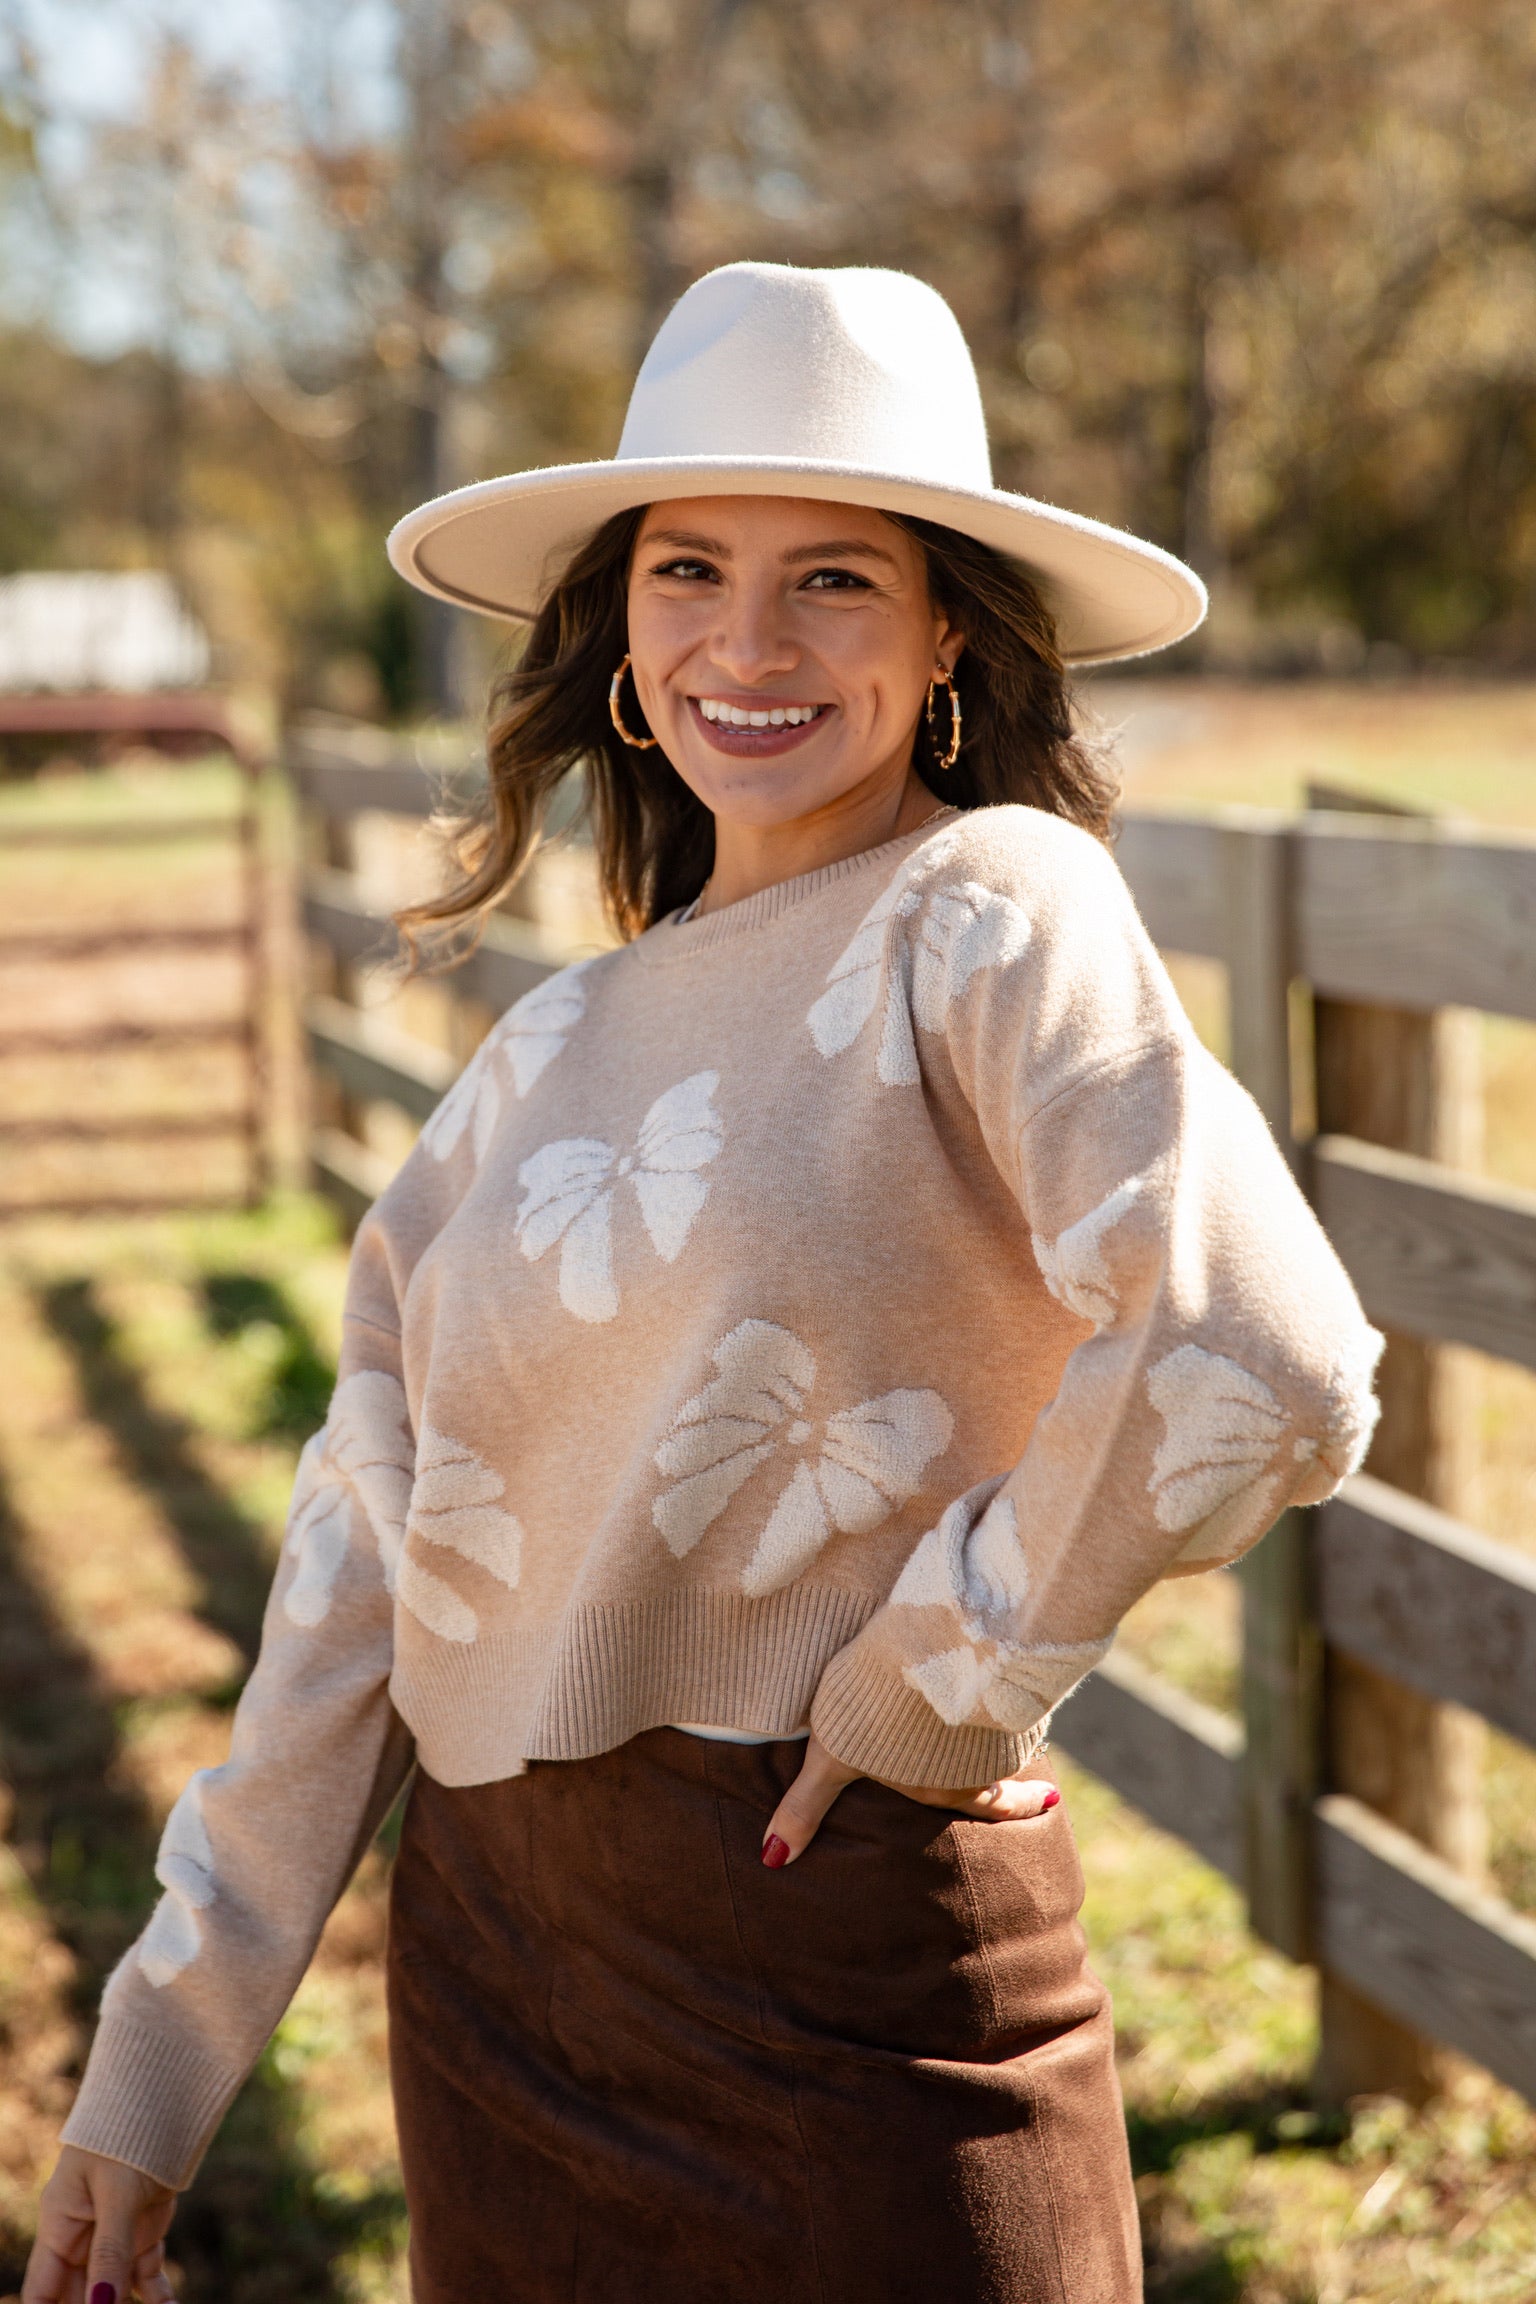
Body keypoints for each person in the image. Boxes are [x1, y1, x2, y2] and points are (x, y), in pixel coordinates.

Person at [24, 261, 1380, 2304]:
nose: (747, 641)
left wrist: (947, 1675)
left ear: (945, 635)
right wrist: (155, 2062)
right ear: (622, 630)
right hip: (495, 1999)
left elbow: (1258, 1349)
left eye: (834, 577)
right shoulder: (541, 1059)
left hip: (844, 1962)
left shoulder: (989, 907)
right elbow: (354, 1576)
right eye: (688, 572)